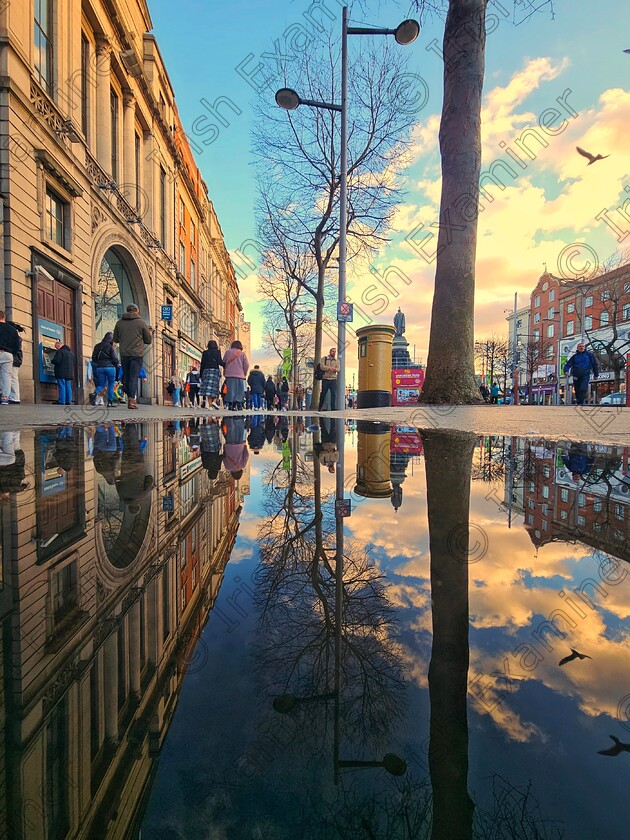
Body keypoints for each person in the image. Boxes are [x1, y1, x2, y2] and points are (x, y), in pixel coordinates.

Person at [113, 303, 152, 410]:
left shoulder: (119, 323)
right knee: (133, 377)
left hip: (124, 354)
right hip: (137, 354)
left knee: (126, 376)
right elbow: (148, 340)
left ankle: (127, 390)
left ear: (126, 310)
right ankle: (131, 401)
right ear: (137, 311)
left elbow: (115, 339)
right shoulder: (141, 323)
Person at [91, 332, 119, 407]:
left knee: (101, 385)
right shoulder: (110, 347)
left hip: (99, 368)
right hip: (110, 368)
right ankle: (110, 402)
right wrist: (116, 364)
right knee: (111, 384)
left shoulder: (97, 346)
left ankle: (94, 394)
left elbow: (93, 358)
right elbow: (115, 358)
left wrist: (99, 363)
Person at [0, 311, 21, 406]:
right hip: (8, 354)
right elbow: (17, 344)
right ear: (3, 317)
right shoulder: (12, 330)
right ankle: (5, 398)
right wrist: (11, 352)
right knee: (7, 376)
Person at [222, 340, 249, 410]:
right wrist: (244, 372)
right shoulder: (242, 354)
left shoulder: (227, 352)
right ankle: (239, 404)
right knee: (239, 390)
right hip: (240, 375)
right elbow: (246, 365)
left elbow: (224, 362)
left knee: (231, 390)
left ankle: (231, 404)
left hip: (229, 374)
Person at [199, 340, 224, 409]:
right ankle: (214, 401)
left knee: (209, 389)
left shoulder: (205, 353)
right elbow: (220, 362)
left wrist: (201, 374)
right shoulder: (217, 352)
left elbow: (202, 364)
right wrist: (225, 364)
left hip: (206, 371)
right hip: (215, 371)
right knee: (215, 387)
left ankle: (210, 406)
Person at [51, 339, 75, 405]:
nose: (56, 349)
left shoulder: (60, 352)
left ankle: (62, 401)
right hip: (69, 373)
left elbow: (56, 361)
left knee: (61, 386)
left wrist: (52, 360)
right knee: (68, 386)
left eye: (56, 347)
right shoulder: (71, 353)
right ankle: (68, 401)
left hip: (61, 372)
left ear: (59, 345)